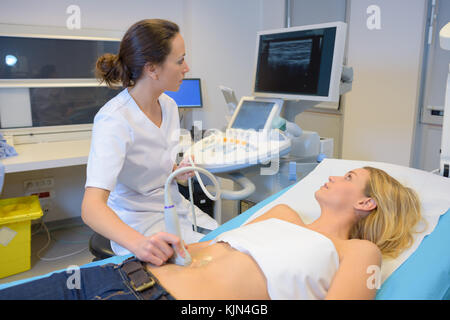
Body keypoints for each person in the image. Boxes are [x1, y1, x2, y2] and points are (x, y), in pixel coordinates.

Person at [0, 167, 423, 300]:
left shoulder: (358, 250)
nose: (333, 175)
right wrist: (173, 247)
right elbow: (212, 252)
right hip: (115, 276)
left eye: (347, 176)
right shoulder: (282, 213)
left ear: (366, 202)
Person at [81, 19, 218, 263]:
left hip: (173, 207)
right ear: (152, 69)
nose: (186, 68)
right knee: (199, 267)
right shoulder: (114, 120)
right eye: (179, 61)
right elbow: (91, 208)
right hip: (137, 222)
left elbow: (152, 166)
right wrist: (140, 245)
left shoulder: (169, 106)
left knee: (224, 244)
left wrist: (177, 172)